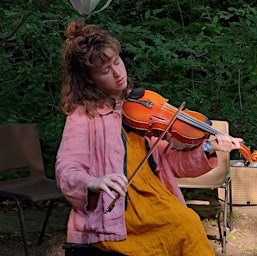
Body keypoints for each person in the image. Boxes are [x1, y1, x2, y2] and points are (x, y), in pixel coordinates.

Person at [56, 21, 243, 255]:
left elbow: (172, 162)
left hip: (154, 198)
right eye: (105, 70)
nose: (117, 73)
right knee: (185, 224)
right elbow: (67, 168)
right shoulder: (84, 116)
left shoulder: (142, 107)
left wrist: (208, 145)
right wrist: (93, 182)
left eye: (117, 62)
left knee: (187, 223)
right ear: (89, 79)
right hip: (118, 210)